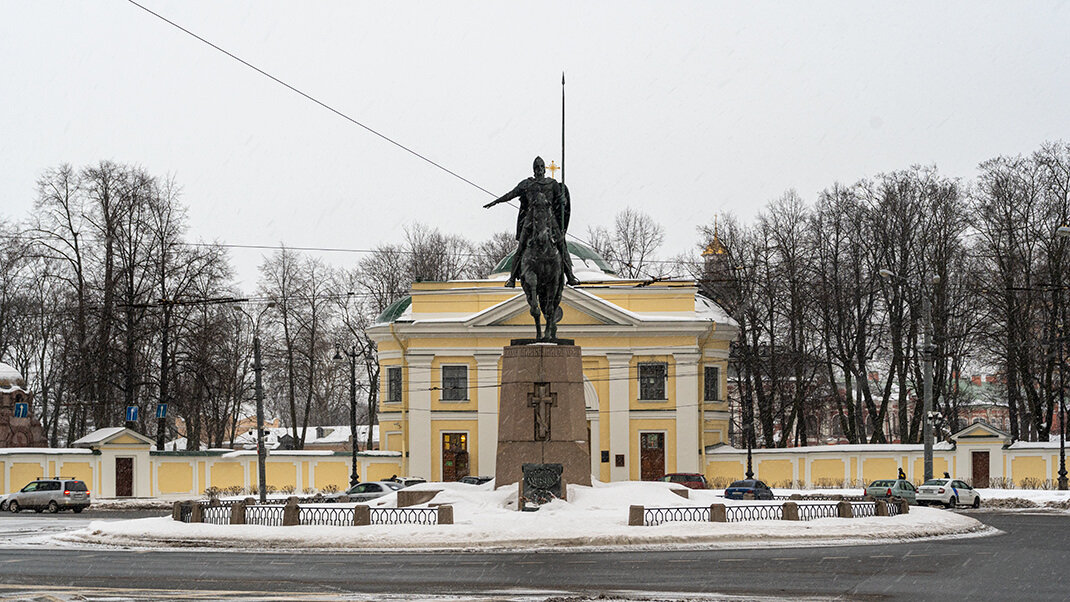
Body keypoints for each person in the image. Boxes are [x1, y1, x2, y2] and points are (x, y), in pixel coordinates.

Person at [484, 156, 579, 288]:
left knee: (561, 244)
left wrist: (563, 200)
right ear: (533, 170)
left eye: (541, 167)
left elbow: (560, 200)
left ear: (544, 169)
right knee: (521, 246)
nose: (539, 170)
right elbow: (511, 194)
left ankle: (570, 275)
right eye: (536, 168)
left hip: (549, 219)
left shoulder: (552, 184)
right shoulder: (527, 184)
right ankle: (512, 278)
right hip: (530, 219)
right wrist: (496, 201)